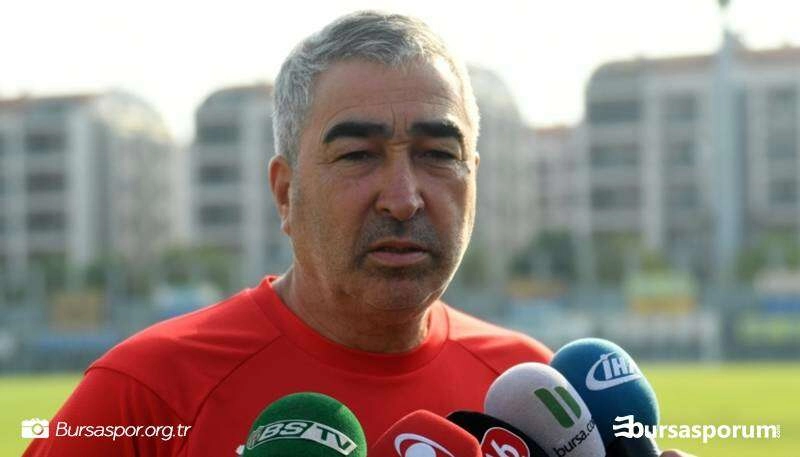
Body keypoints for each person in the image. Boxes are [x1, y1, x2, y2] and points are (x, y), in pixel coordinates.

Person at [24, 11, 695, 457]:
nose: (403, 198)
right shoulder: (145, 391)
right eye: (357, 155)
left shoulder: (529, 393)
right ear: (285, 192)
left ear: (475, 179)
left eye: (437, 154)